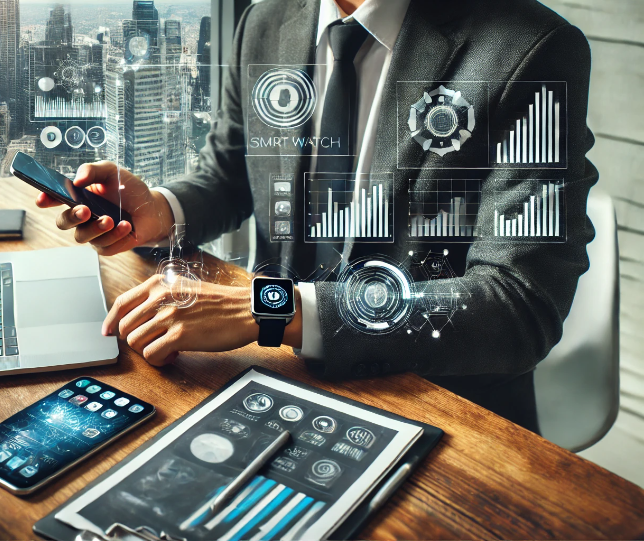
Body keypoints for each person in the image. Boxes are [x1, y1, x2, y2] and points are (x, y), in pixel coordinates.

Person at [35, 0, 597, 432]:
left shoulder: (533, 48)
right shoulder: (268, 18)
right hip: (273, 376)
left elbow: (519, 304)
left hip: (437, 404)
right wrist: (160, 211)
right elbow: (233, 170)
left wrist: (276, 310)